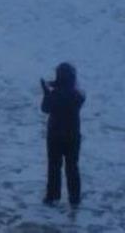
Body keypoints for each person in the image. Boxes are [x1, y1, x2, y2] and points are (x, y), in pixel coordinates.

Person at [41, 62, 85, 207]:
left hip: (55, 136)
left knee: (54, 166)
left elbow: (45, 108)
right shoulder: (77, 95)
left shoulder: (55, 94)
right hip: (73, 136)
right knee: (72, 167)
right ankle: (75, 198)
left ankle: (52, 196)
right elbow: (71, 95)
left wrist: (46, 93)